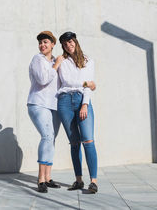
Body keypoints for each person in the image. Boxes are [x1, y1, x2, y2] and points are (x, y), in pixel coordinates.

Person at [57, 31, 98, 193]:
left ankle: (93, 181)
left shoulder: (88, 60)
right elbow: (67, 81)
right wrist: (86, 82)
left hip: (82, 99)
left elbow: (88, 87)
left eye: (71, 42)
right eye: (65, 44)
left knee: (88, 141)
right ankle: (78, 180)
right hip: (65, 101)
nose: (69, 45)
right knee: (74, 143)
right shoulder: (62, 61)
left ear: (75, 41)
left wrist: (85, 104)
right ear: (63, 46)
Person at [27, 31, 64, 193]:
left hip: (55, 106)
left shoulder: (57, 60)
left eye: (45, 42)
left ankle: (48, 177)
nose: (42, 45)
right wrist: (55, 66)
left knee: (51, 140)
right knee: (47, 136)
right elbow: (42, 80)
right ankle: (41, 179)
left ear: (53, 44)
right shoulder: (38, 59)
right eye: (40, 42)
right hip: (38, 103)